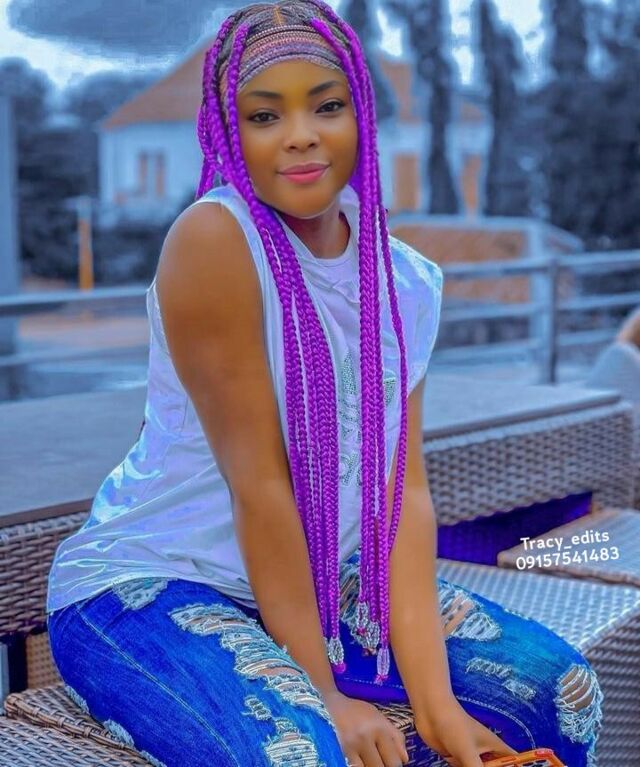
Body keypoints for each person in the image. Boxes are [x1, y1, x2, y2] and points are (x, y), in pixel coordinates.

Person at [46, 3, 604, 766]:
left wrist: (436, 704)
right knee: (300, 750)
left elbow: (402, 495)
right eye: (264, 115)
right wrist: (326, 696)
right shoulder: (215, 242)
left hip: (325, 580)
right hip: (150, 580)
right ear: (228, 134)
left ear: (360, 114)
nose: (302, 134)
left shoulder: (405, 280)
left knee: (558, 691)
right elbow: (261, 486)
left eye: (327, 106)